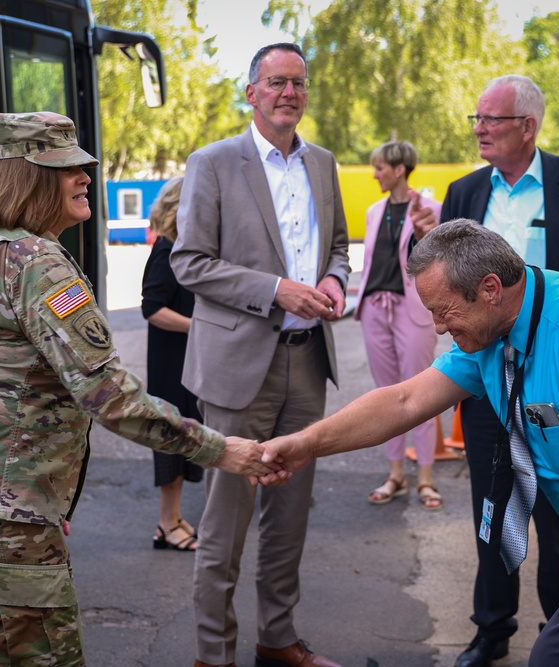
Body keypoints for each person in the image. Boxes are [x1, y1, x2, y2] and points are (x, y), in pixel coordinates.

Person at [0, 112, 285, 667]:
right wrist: (222, 449)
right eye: (65, 168)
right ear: (27, 180)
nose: (85, 175)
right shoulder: (39, 265)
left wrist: (44, 498)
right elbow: (108, 394)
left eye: (83, 164)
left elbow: (1, 392)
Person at [260, 219, 559, 667]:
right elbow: (404, 401)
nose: (439, 328)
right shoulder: (491, 333)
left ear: (490, 289)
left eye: (444, 311)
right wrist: (307, 443)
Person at [411, 74, 559, 667]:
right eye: (477, 119)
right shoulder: (464, 192)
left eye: (491, 119)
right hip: (485, 376)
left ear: (528, 127)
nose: (479, 129)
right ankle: (491, 631)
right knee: (490, 511)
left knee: (558, 519)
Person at [171, 42, 350, 667]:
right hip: (236, 368)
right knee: (225, 520)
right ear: (251, 92)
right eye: (275, 82)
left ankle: (277, 640)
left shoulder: (323, 164)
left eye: (298, 83)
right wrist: (277, 291)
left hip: (307, 364)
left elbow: (339, 250)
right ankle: (212, 655)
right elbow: (188, 262)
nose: (288, 93)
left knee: (290, 515)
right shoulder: (214, 163)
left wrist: (332, 283)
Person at [356, 141, 443, 510]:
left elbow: (440, 260)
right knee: (385, 393)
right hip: (375, 306)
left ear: (400, 168)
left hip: (413, 309)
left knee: (420, 395)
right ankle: (396, 475)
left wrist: (427, 234)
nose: (375, 173)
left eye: (380, 167)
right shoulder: (374, 211)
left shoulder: (431, 210)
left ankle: (425, 479)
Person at [141, 176, 203, 551]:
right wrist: (200, 327)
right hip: (171, 364)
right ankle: (167, 524)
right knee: (172, 439)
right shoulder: (166, 249)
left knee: (183, 438)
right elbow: (152, 309)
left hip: (182, 361)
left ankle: (175, 518)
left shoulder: (180, 247)